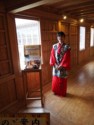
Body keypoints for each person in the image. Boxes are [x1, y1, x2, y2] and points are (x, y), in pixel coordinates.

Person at [50, 31, 71, 96]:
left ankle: (62, 93)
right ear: (57, 37)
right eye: (59, 36)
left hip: (63, 67)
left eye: (62, 36)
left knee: (62, 80)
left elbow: (66, 57)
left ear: (64, 37)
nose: (60, 38)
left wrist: (61, 65)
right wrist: (55, 64)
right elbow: (52, 56)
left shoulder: (67, 47)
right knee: (55, 79)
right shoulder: (54, 46)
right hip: (55, 66)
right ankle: (55, 91)